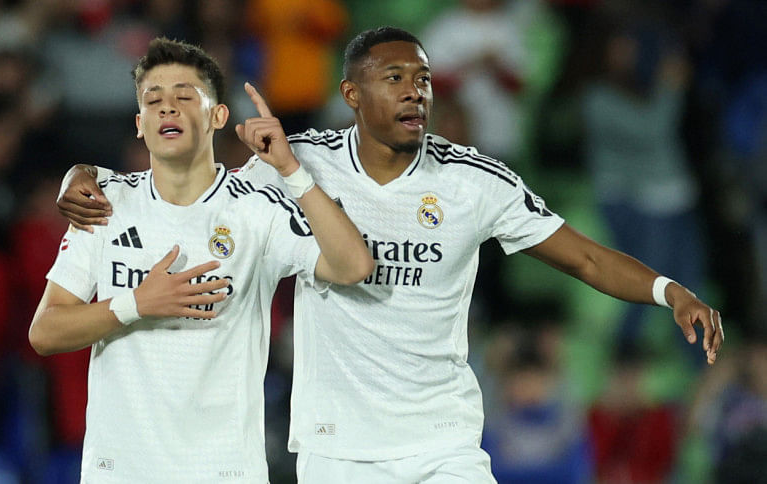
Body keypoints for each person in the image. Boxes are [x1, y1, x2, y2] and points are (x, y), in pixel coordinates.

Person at [57, 27, 724, 483]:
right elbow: (194, 184)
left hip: (443, 440)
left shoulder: (474, 181)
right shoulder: (299, 161)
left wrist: (670, 291)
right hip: (337, 446)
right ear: (352, 94)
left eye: (424, 79)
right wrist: (84, 174)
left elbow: (584, 259)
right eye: (395, 77)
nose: (415, 91)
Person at [30, 37, 372, 483]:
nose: (167, 109)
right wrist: (136, 304)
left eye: (184, 97)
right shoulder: (104, 204)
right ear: (140, 124)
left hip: (222, 470)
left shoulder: (257, 210)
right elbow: (45, 331)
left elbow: (353, 266)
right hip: (119, 470)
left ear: (218, 116)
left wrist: (291, 170)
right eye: (154, 100)